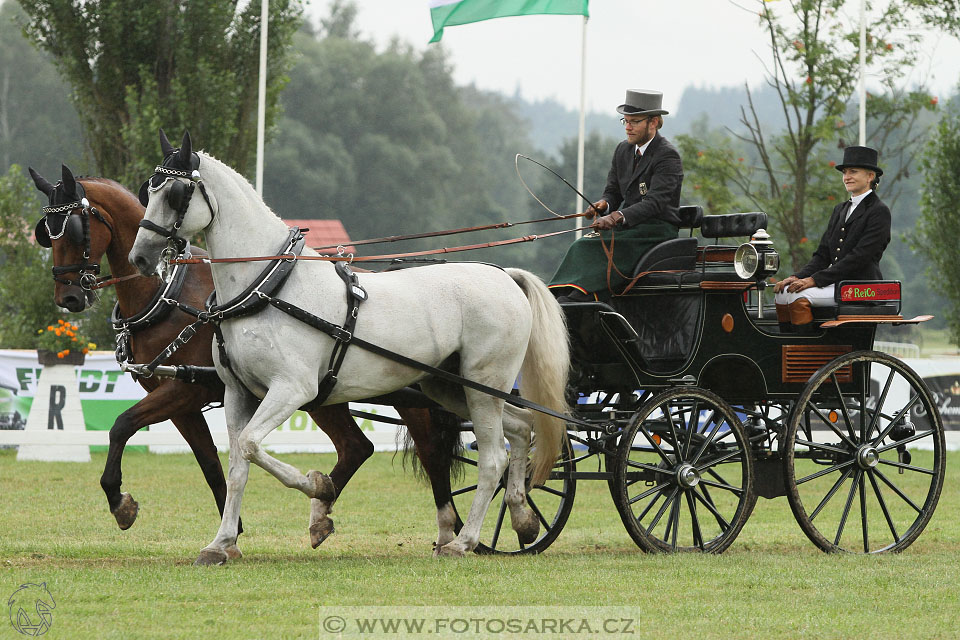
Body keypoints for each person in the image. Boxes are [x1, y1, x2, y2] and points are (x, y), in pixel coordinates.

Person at [549, 89, 683, 302]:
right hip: (628, 227)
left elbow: (655, 203)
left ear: (654, 122)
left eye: (635, 122)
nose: (628, 127)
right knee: (581, 244)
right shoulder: (623, 150)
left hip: (655, 230)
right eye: (625, 121)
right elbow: (613, 192)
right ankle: (564, 293)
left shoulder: (667, 155)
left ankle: (585, 294)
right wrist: (604, 205)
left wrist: (617, 217)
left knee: (586, 245)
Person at [773, 145, 891, 333]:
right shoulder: (840, 210)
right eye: (844, 172)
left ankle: (806, 354)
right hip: (836, 284)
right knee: (782, 295)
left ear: (870, 176)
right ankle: (788, 352)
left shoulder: (879, 211)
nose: (846, 177)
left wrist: (815, 280)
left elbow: (860, 257)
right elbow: (823, 254)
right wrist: (798, 277)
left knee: (796, 298)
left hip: (862, 288)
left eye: (853, 171)